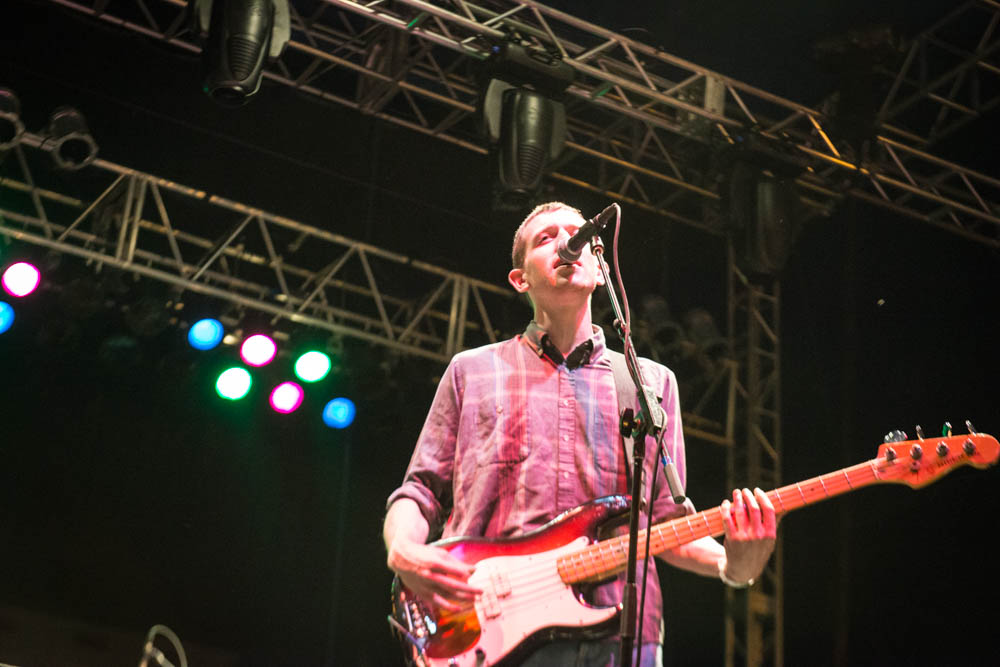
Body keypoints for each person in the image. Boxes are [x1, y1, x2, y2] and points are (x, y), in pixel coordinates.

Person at [383, 202, 777, 666]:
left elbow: (665, 525)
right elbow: (420, 490)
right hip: (484, 629)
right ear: (520, 279)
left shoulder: (650, 384)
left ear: (599, 265)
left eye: (577, 235)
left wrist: (733, 567)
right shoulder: (472, 370)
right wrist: (403, 551)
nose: (566, 243)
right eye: (546, 238)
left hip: (622, 632)